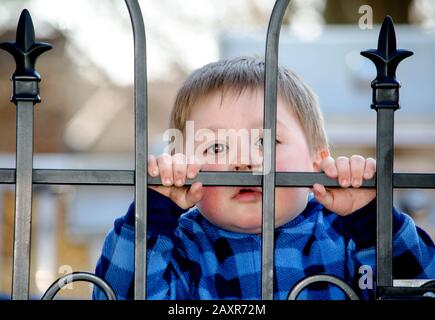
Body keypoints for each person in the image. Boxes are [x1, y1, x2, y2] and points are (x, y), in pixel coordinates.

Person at [93, 57, 435, 300]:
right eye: (215, 146)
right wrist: (154, 214)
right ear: (183, 164)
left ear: (319, 159)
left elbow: (420, 290)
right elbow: (116, 294)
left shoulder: (346, 236)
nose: (244, 160)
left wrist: (370, 220)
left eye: (265, 141)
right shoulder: (178, 245)